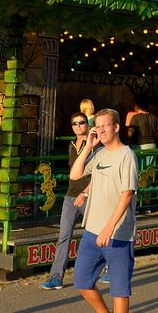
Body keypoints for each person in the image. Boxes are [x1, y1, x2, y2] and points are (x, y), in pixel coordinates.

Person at [70, 109, 138, 313]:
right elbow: (75, 175)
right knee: (82, 281)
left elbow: (127, 194)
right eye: (97, 126)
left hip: (118, 234)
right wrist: (88, 146)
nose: (100, 130)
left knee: (119, 290)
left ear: (116, 127)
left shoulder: (127, 155)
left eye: (105, 126)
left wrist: (109, 228)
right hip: (92, 230)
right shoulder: (98, 153)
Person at [43, 112, 96, 290]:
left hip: (89, 196)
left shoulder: (95, 144)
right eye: (75, 123)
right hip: (70, 196)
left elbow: (99, 174)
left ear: (87, 124)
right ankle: (56, 277)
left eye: (82, 122)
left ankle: (104, 269)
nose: (78, 126)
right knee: (63, 236)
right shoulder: (71, 145)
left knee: (95, 236)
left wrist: (86, 193)